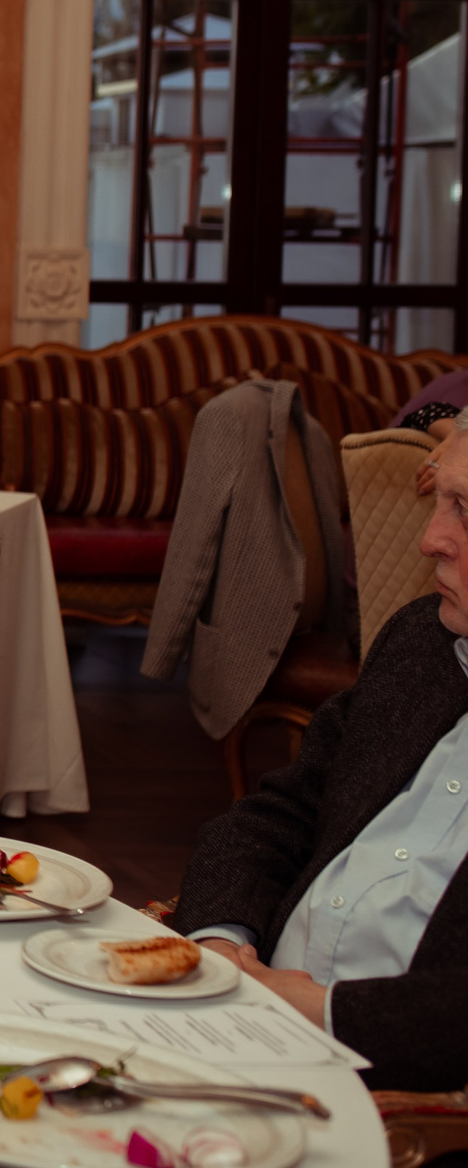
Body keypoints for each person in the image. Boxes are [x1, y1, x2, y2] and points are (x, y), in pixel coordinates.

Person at [173, 422, 468, 1104]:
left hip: (393, 1112)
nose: (430, 540)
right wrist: (220, 940)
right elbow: (278, 814)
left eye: (464, 510)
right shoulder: (420, 644)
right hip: (237, 1030)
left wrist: (317, 1009)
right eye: (441, 501)